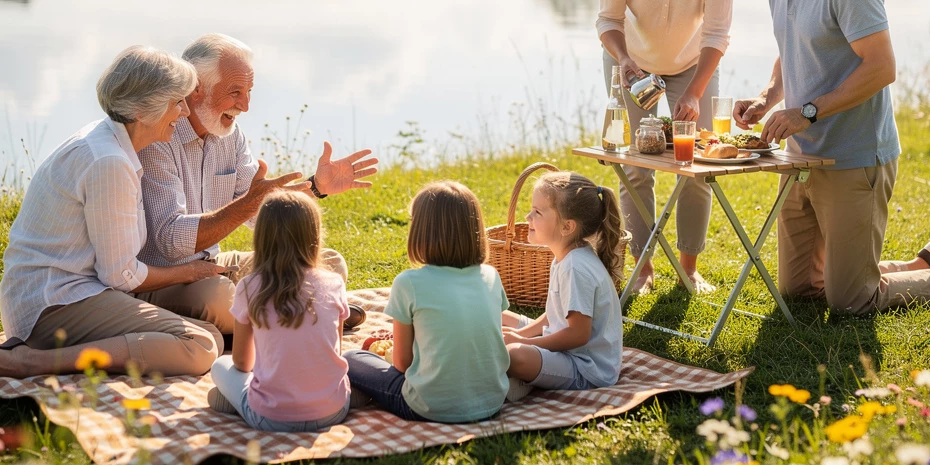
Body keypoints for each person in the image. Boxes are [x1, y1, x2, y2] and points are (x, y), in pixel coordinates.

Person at [733, 0, 930, 312]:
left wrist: (809, 111)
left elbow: (882, 67)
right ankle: (920, 262)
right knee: (797, 291)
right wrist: (767, 99)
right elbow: (791, 50)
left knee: (850, 300)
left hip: (854, 157)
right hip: (801, 157)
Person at [0, 47, 237, 383]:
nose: (184, 111)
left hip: (88, 289)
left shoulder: (114, 143)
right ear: (142, 110)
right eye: (176, 102)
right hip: (54, 305)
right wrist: (188, 272)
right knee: (200, 343)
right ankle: (31, 362)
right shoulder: (108, 161)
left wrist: (191, 274)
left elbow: (117, 271)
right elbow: (120, 275)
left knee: (209, 331)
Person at [138, 33, 377, 333]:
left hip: (213, 264)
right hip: (163, 277)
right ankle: (309, 316)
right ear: (196, 88)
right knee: (220, 299)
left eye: (249, 91)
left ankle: (283, 319)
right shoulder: (160, 136)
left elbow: (259, 211)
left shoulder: (230, 135)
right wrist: (247, 204)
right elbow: (171, 242)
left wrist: (315, 187)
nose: (246, 106)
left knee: (328, 263)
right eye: (235, 92)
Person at [597, 0, 735, 293]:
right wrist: (623, 59)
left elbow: (716, 33)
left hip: (695, 64)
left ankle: (688, 268)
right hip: (632, 63)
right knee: (637, 166)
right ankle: (644, 267)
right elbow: (607, 20)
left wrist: (695, 91)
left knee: (693, 165)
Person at [345, 181, 509, 423]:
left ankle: (354, 396)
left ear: (421, 231)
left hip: (427, 406)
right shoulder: (490, 276)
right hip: (492, 402)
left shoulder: (409, 283)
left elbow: (402, 363)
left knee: (351, 358)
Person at [207, 190, 351, 432]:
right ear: (314, 236)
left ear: (262, 237)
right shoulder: (334, 282)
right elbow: (335, 351)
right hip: (334, 412)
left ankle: (235, 400)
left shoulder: (249, 287)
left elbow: (242, 362)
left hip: (271, 418)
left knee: (220, 366)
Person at [502, 172, 623, 401]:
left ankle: (520, 382)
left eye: (537, 212)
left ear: (567, 227)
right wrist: (519, 333)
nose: (528, 217)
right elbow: (555, 313)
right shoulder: (565, 257)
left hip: (585, 367)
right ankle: (527, 372)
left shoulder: (575, 267)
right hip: (564, 342)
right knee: (497, 315)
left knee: (514, 355)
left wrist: (524, 342)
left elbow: (578, 334)